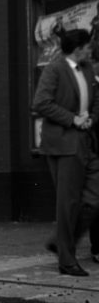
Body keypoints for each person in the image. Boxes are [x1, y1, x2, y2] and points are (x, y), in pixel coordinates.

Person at [33, 23, 99, 277]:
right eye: (87, 46)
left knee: (93, 198)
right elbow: (41, 102)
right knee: (68, 204)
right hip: (63, 144)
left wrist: (91, 118)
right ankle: (67, 260)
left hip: (86, 141)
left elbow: (96, 97)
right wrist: (72, 119)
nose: (90, 49)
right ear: (78, 49)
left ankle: (61, 241)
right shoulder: (55, 69)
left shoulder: (87, 68)